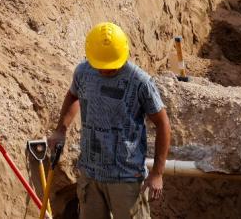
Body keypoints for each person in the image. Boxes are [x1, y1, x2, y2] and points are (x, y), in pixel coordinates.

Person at [49, 22, 171, 218]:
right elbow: (73, 96)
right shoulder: (83, 72)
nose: (105, 71)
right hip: (90, 174)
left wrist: (157, 173)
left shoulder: (140, 81)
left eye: (112, 67)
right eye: (101, 67)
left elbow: (163, 124)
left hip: (127, 178)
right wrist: (61, 129)